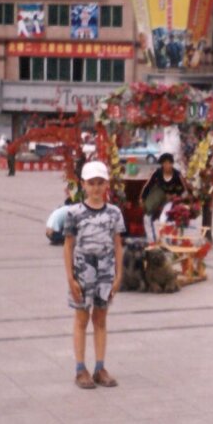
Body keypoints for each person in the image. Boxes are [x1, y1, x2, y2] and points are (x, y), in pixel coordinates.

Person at [63, 161, 124, 390]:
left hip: (105, 272)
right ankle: (80, 369)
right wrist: (70, 278)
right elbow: (68, 246)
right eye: (92, 183)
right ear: (83, 185)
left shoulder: (114, 213)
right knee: (81, 319)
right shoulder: (74, 213)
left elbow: (118, 244)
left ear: (107, 184)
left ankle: (100, 367)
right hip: (82, 271)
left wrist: (118, 274)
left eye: (100, 183)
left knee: (100, 318)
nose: (96, 188)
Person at [141, 153, 190, 242]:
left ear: (172, 164)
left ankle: (166, 241)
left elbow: (185, 192)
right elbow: (147, 186)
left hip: (172, 202)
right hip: (157, 200)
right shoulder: (157, 173)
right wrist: (142, 199)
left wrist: (176, 197)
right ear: (162, 164)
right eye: (165, 163)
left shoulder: (177, 175)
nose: (167, 165)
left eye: (169, 163)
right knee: (146, 217)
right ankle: (151, 241)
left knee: (163, 218)